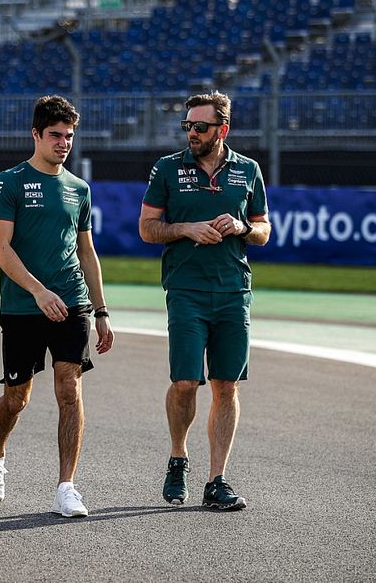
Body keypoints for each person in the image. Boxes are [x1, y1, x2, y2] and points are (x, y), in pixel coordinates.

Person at [0, 94, 115, 518]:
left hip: (72, 303)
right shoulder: (10, 181)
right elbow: (0, 249)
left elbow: (87, 252)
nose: (63, 143)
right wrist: (38, 291)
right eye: (55, 135)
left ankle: (66, 487)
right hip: (23, 304)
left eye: (69, 136)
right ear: (35, 134)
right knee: (16, 398)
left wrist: (101, 310)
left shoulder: (79, 188)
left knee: (69, 390)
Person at [138, 90, 271, 511]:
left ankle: (217, 480)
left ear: (222, 129)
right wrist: (187, 229)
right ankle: (178, 457)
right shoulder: (167, 168)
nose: (192, 133)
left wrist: (241, 226)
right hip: (186, 291)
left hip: (234, 290)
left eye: (201, 127)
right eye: (188, 126)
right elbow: (147, 228)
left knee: (226, 384)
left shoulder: (248, 170)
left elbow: (264, 230)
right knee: (184, 382)